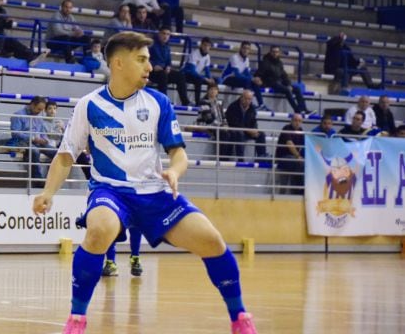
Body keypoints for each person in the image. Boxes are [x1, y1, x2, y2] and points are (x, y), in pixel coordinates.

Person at [32, 31, 258, 334]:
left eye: (149, 60)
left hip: (156, 194)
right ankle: (77, 319)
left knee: (212, 241)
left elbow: (179, 154)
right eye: (142, 60)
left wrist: (175, 172)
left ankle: (239, 318)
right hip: (110, 191)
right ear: (118, 63)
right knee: (99, 230)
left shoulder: (159, 103)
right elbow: (64, 156)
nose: (149, 67)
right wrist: (48, 192)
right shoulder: (89, 105)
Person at [255, 45, 309, 114]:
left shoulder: (279, 63)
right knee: (287, 90)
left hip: (279, 82)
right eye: (273, 52)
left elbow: (284, 75)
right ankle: (297, 110)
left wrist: (289, 84)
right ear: (270, 52)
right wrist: (258, 78)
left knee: (297, 89)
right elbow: (258, 74)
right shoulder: (265, 62)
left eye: (276, 52)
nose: (275, 53)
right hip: (270, 83)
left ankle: (303, 109)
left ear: (279, 53)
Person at [8, 96, 49, 185]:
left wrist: (45, 139)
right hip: (22, 142)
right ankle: (38, 181)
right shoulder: (18, 115)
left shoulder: (39, 117)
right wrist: (33, 138)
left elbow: (42, 132)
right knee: (35, 151)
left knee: (55, 152)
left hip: (38, 142)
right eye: (38, 109)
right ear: (32, 105)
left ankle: (51, 180)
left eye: (41, 110)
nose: (40, 112)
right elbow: (15, 133)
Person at [149, 26, 190, 106]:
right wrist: (153, 66)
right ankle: (164, 101)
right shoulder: (152, 45)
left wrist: (168, 67)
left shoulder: (167, 47)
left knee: (180, 76)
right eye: (164, 33)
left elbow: (168, 61)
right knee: (163, 75)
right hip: (152, 71)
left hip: (163, 70)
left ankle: (185, 102)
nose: (165, 36)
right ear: (159, 34)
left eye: (168, 34)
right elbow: (146, 58)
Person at [225, 90, 269, 161]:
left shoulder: (252, 108)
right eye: (246, 98)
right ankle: (241, 159)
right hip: (234, 131)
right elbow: (234, 124)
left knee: (261, 134)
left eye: (249, 99)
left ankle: (261, 157)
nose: (247, 101)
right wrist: (248, 130)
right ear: (241, 98)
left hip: (246, 131)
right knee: (240, 133)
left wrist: (254, 130)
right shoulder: (232, 107)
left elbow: (253, 121)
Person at [221, 41, 266, 110]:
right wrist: (251, 79)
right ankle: (248, 102)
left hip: (237, 79)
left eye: (248, 49)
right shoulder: (235, 57)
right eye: (244, 48)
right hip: (228, 78)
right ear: (241, 48)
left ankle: (261, 104)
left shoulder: (247, 60)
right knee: (248, 81)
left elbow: (247, 73)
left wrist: (254, 79)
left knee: (254, 82)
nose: (245, 50)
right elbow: (237, 74)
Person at [46, 0, 91, 64]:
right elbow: (58, 32)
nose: (68, 9)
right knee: (65, 38)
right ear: (62, 7)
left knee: (86, 38)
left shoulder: (71, 17)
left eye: (70, 8)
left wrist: (80, 33)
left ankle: (88, 59)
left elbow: (77, 28)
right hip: (53, 42)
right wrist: (73, 33)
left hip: (66, 42)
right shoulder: (56, 16)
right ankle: (69, 60)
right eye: (66, 7)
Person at [182, 37, 217, 105]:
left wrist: (210, 79)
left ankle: (211, 101)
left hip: (196, 75)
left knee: (214, 82)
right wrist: (205, 79)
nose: (206, 47)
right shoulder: (195, 54)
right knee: (199, 80)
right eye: (205, 45)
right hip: (187, 74)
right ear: (201, 45)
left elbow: (207, 71)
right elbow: (192, 71)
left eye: (208, 46)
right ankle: (197, 103)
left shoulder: (207, 57)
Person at [275, 114, 304, 194]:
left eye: (299, 121)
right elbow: (289, 144)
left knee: (303, 164)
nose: (297, 123)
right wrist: (298, 156)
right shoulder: (286, 128)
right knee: (300, 163)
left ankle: (298, 191)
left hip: (293, 158)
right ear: (291, 121)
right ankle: (298, 191)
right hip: (283, 157)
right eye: (295, 120)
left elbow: (304, 146)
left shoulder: (301, 131)